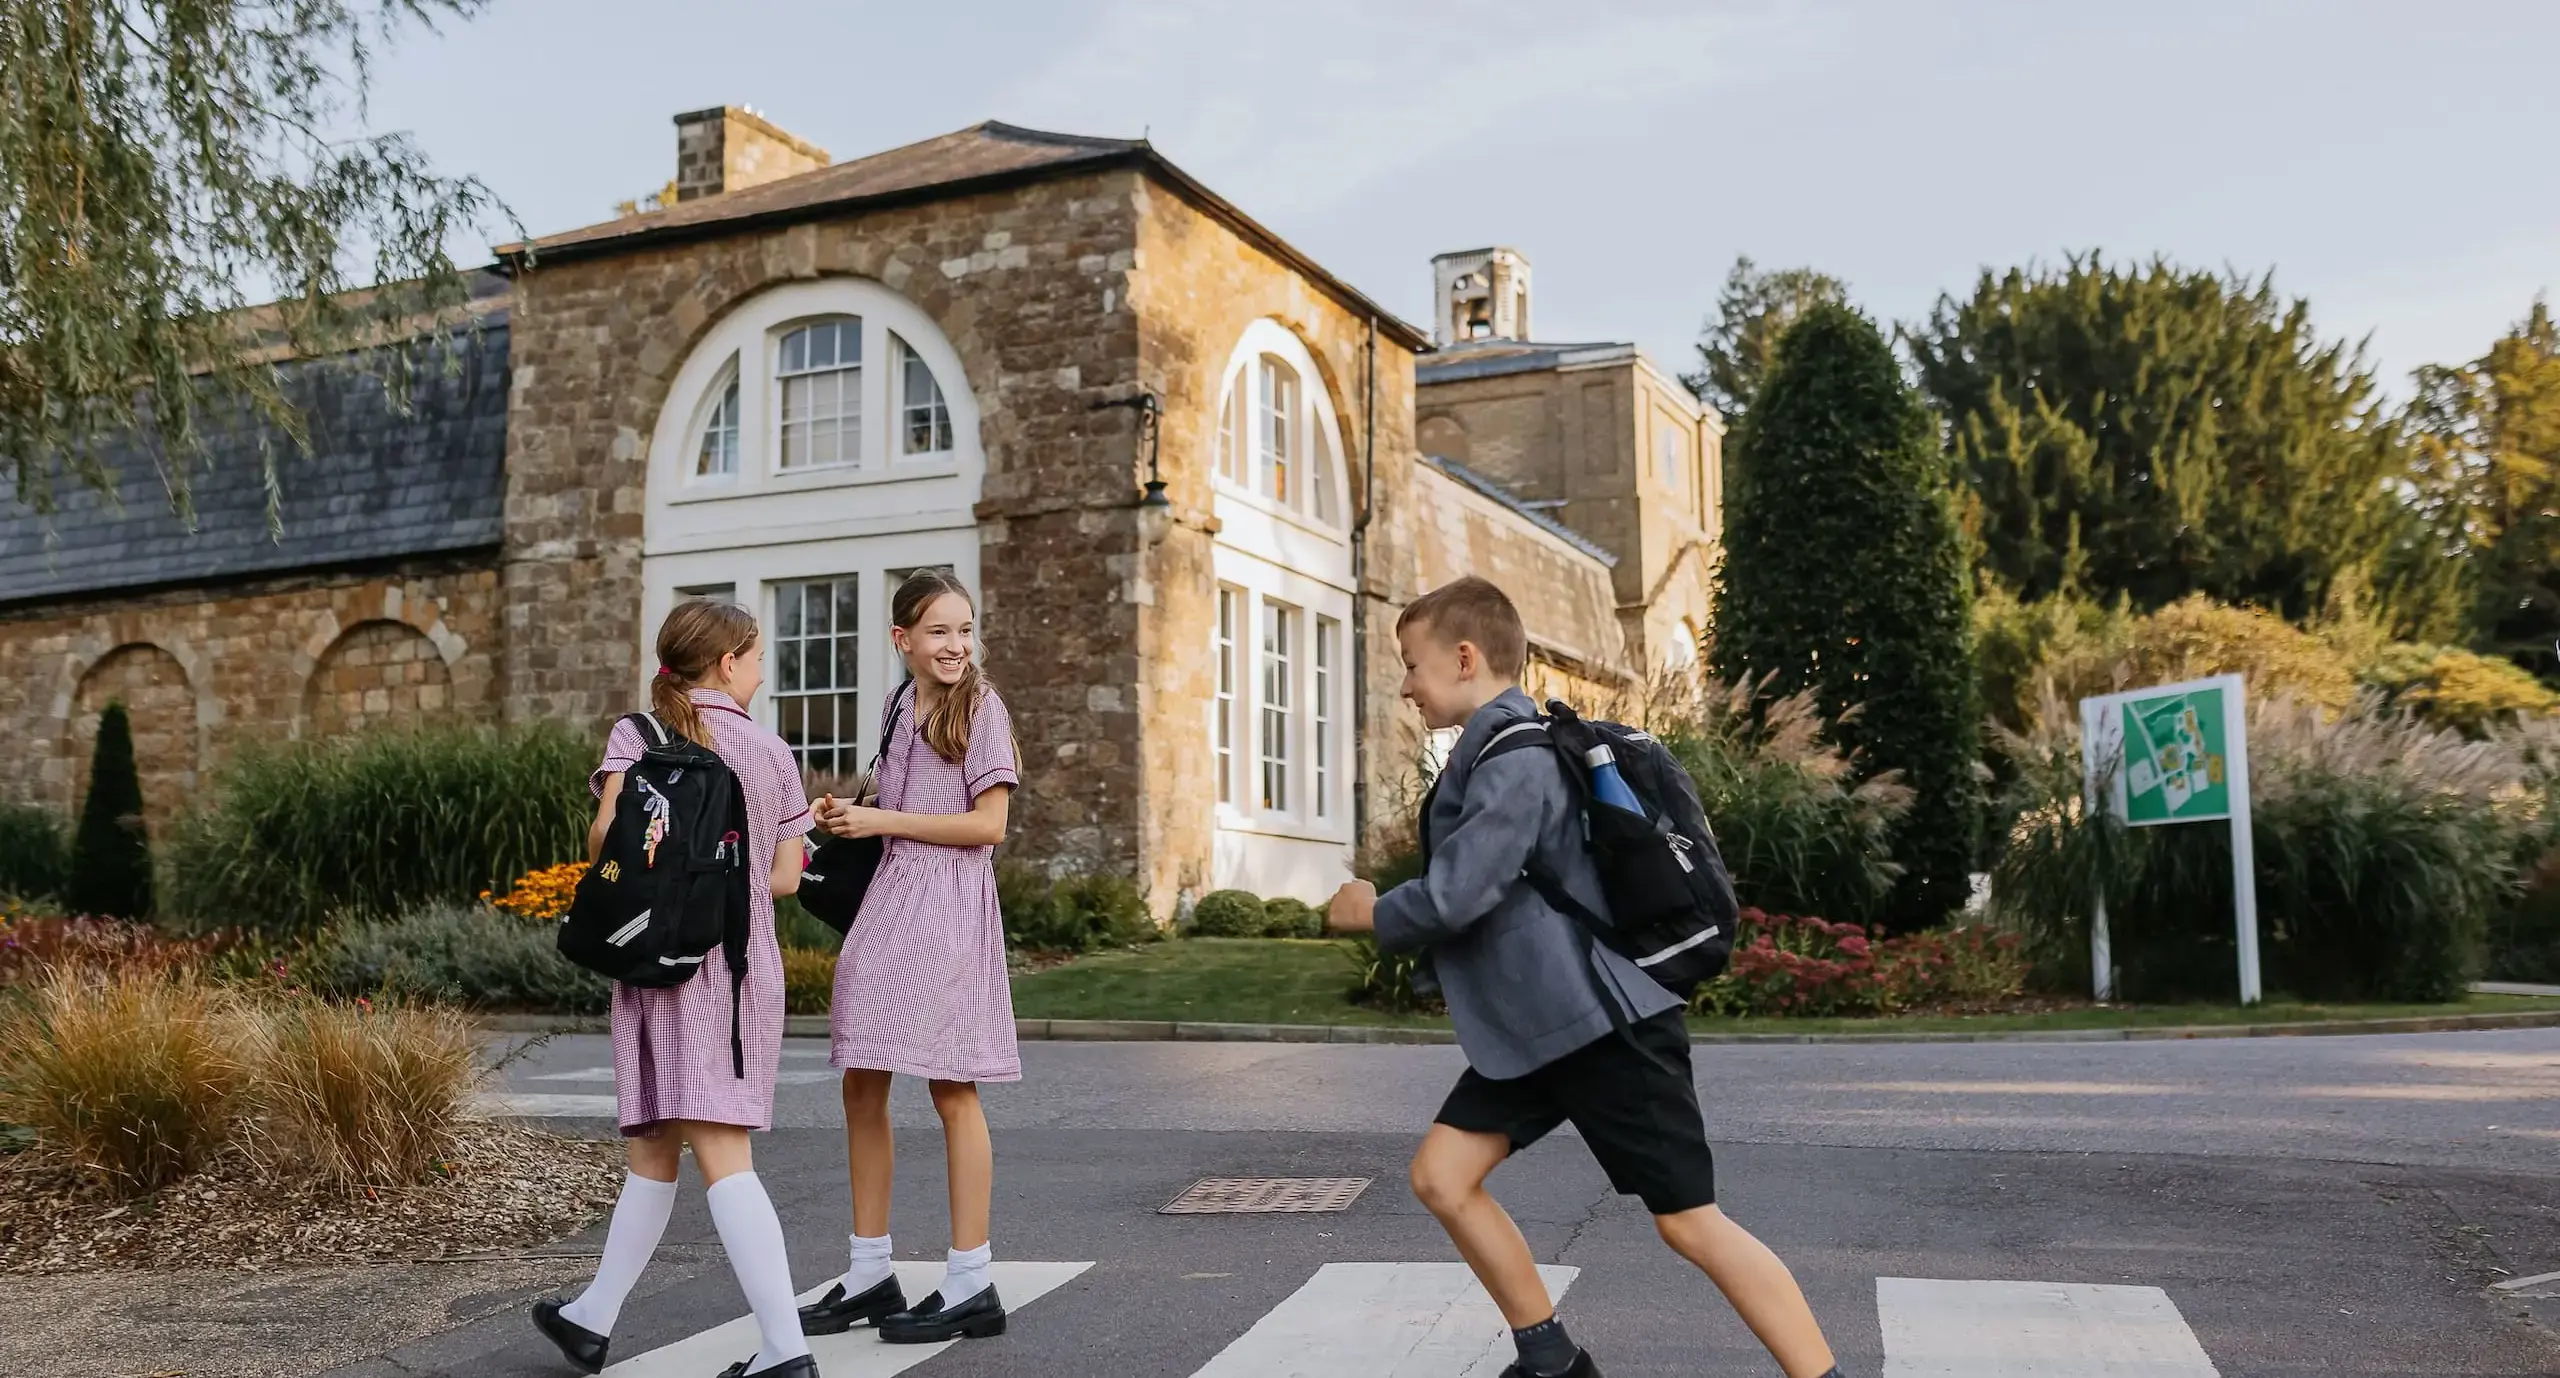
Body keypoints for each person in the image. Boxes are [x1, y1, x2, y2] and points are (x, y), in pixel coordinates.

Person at [1328, 576, 1843, 1378]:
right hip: (1541, 1032)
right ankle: (1553, 1364)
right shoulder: (1500, 748)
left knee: (1690, 1224)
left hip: (1608, 1030)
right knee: (1443, 1175)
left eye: (1411, 664)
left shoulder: (1515, 756)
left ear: (1465, 658)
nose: (1403, 684)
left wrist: (1367, 910)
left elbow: (1461, 893)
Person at [532, 600, 821, 1378]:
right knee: (676, 1149)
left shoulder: (638, 735)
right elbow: (788, 878)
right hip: (731, 968)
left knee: (671, 1147)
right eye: (757, 657)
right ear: (728, 663)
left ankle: (787, 1353)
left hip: (652, 961)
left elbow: (603, 843)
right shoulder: (769, 751)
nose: (762, 670)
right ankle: (593, 1320)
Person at [798, 570, 1021, 1345]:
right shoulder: (899, 703)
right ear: (903, 641)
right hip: (891, 902)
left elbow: (988, 826)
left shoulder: (982, 709)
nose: (956, 645)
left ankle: (971, 1280)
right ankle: (869, 1270)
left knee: (952, 1086)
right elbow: (895, 809)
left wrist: (884, 817)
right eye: (938, 632)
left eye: (964, 629)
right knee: (862, 1078)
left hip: (948, 907)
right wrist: (846, 815)